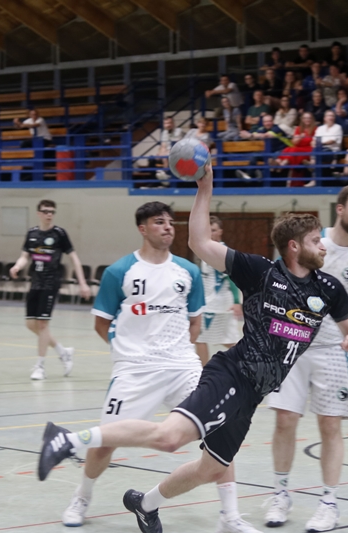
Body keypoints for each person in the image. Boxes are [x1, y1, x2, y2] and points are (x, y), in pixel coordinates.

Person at [36, 163, 348, 533]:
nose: (323, 246)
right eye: (316, 240)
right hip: (232, 374)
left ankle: (145, 504)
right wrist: (204, 188)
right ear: (294, 246)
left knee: (211, 467)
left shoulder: (328, 289)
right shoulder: (261, 272)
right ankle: (66, 439)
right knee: (169, 437)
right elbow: (200, 243)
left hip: (253, 394)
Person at [59, 202, 258, 533]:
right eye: (158, 222)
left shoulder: (187, 271)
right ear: (142, 228)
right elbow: (101, 324)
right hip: (135, 369)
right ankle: (82, 496)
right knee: (105, 441)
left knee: (221, 432)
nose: (167, 227)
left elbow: (195, 323)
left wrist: (177, 350)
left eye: (170, 222)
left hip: (182, 366)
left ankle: (230, 515)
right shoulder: (119, 271)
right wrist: (128, 352)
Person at [265, 184, 348, 532]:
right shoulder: (310, 240)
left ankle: (328, 503)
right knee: (284, 420)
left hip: (333, 351)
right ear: (340, 209)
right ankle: (280, 494)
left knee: (330, 426)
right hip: (291, 346)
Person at [9, 200, 90, 380]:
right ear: (39, 213)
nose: (49, 214)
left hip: (51, 283)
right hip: (35, 283)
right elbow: (25, 256)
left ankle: (40, 366)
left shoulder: (59, 234)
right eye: (45, 211)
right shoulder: (32, 233)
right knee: (30, 324)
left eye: (52, 212)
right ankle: (63, 352)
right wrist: (17, 266)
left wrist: (82, 283)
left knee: (43, 324)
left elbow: (74, 259)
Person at [195, 215, 243, 366]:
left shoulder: (220, 251)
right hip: (214, 303)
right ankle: (247, 364)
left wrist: (237, 301)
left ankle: (203, 372)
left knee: (200, 338)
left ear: (220, 232)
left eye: (214, 230)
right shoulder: (207, 249)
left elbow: (231, 277)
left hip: (216, 304)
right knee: (226, 339)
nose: (210, 233)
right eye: (208, 230)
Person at [278, 112, 317, 187]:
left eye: (309, 118)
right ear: (302, 119)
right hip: (298, 148)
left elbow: (314, 142)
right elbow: (293, 142)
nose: (307, 120)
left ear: (312, 119)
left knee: (294, 150)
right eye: (305, 118)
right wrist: (300, 138)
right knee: (288, 149)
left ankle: (283, 163)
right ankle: (281, 162)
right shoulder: (298, 128)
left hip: (309, 149)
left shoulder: (315, 129)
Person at [153, 117, 183, 187]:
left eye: (169, 123)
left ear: (173, 123)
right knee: (154, 158)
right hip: (168, 151)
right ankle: (156, 182)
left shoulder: (178, 131)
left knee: (166, 156)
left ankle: (165, 173)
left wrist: (165, 153)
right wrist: (161, 153)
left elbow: (177, 144)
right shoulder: (164, 132)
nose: (168, 125)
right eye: (166, 123)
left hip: (178, 151)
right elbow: (163, 145)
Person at [314, 110, 343, 177]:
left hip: (332, 151)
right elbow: (314, 140)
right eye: (329, 116)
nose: (331, 117)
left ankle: (312, 168)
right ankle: (314, 175)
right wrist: (314, 143)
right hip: (320, 149)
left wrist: (320, 144)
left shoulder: (338, 127)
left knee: (317, 154)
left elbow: (332, 141)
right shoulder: (320, 128)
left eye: (332, 116)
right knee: (315, 151)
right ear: (325, 118)